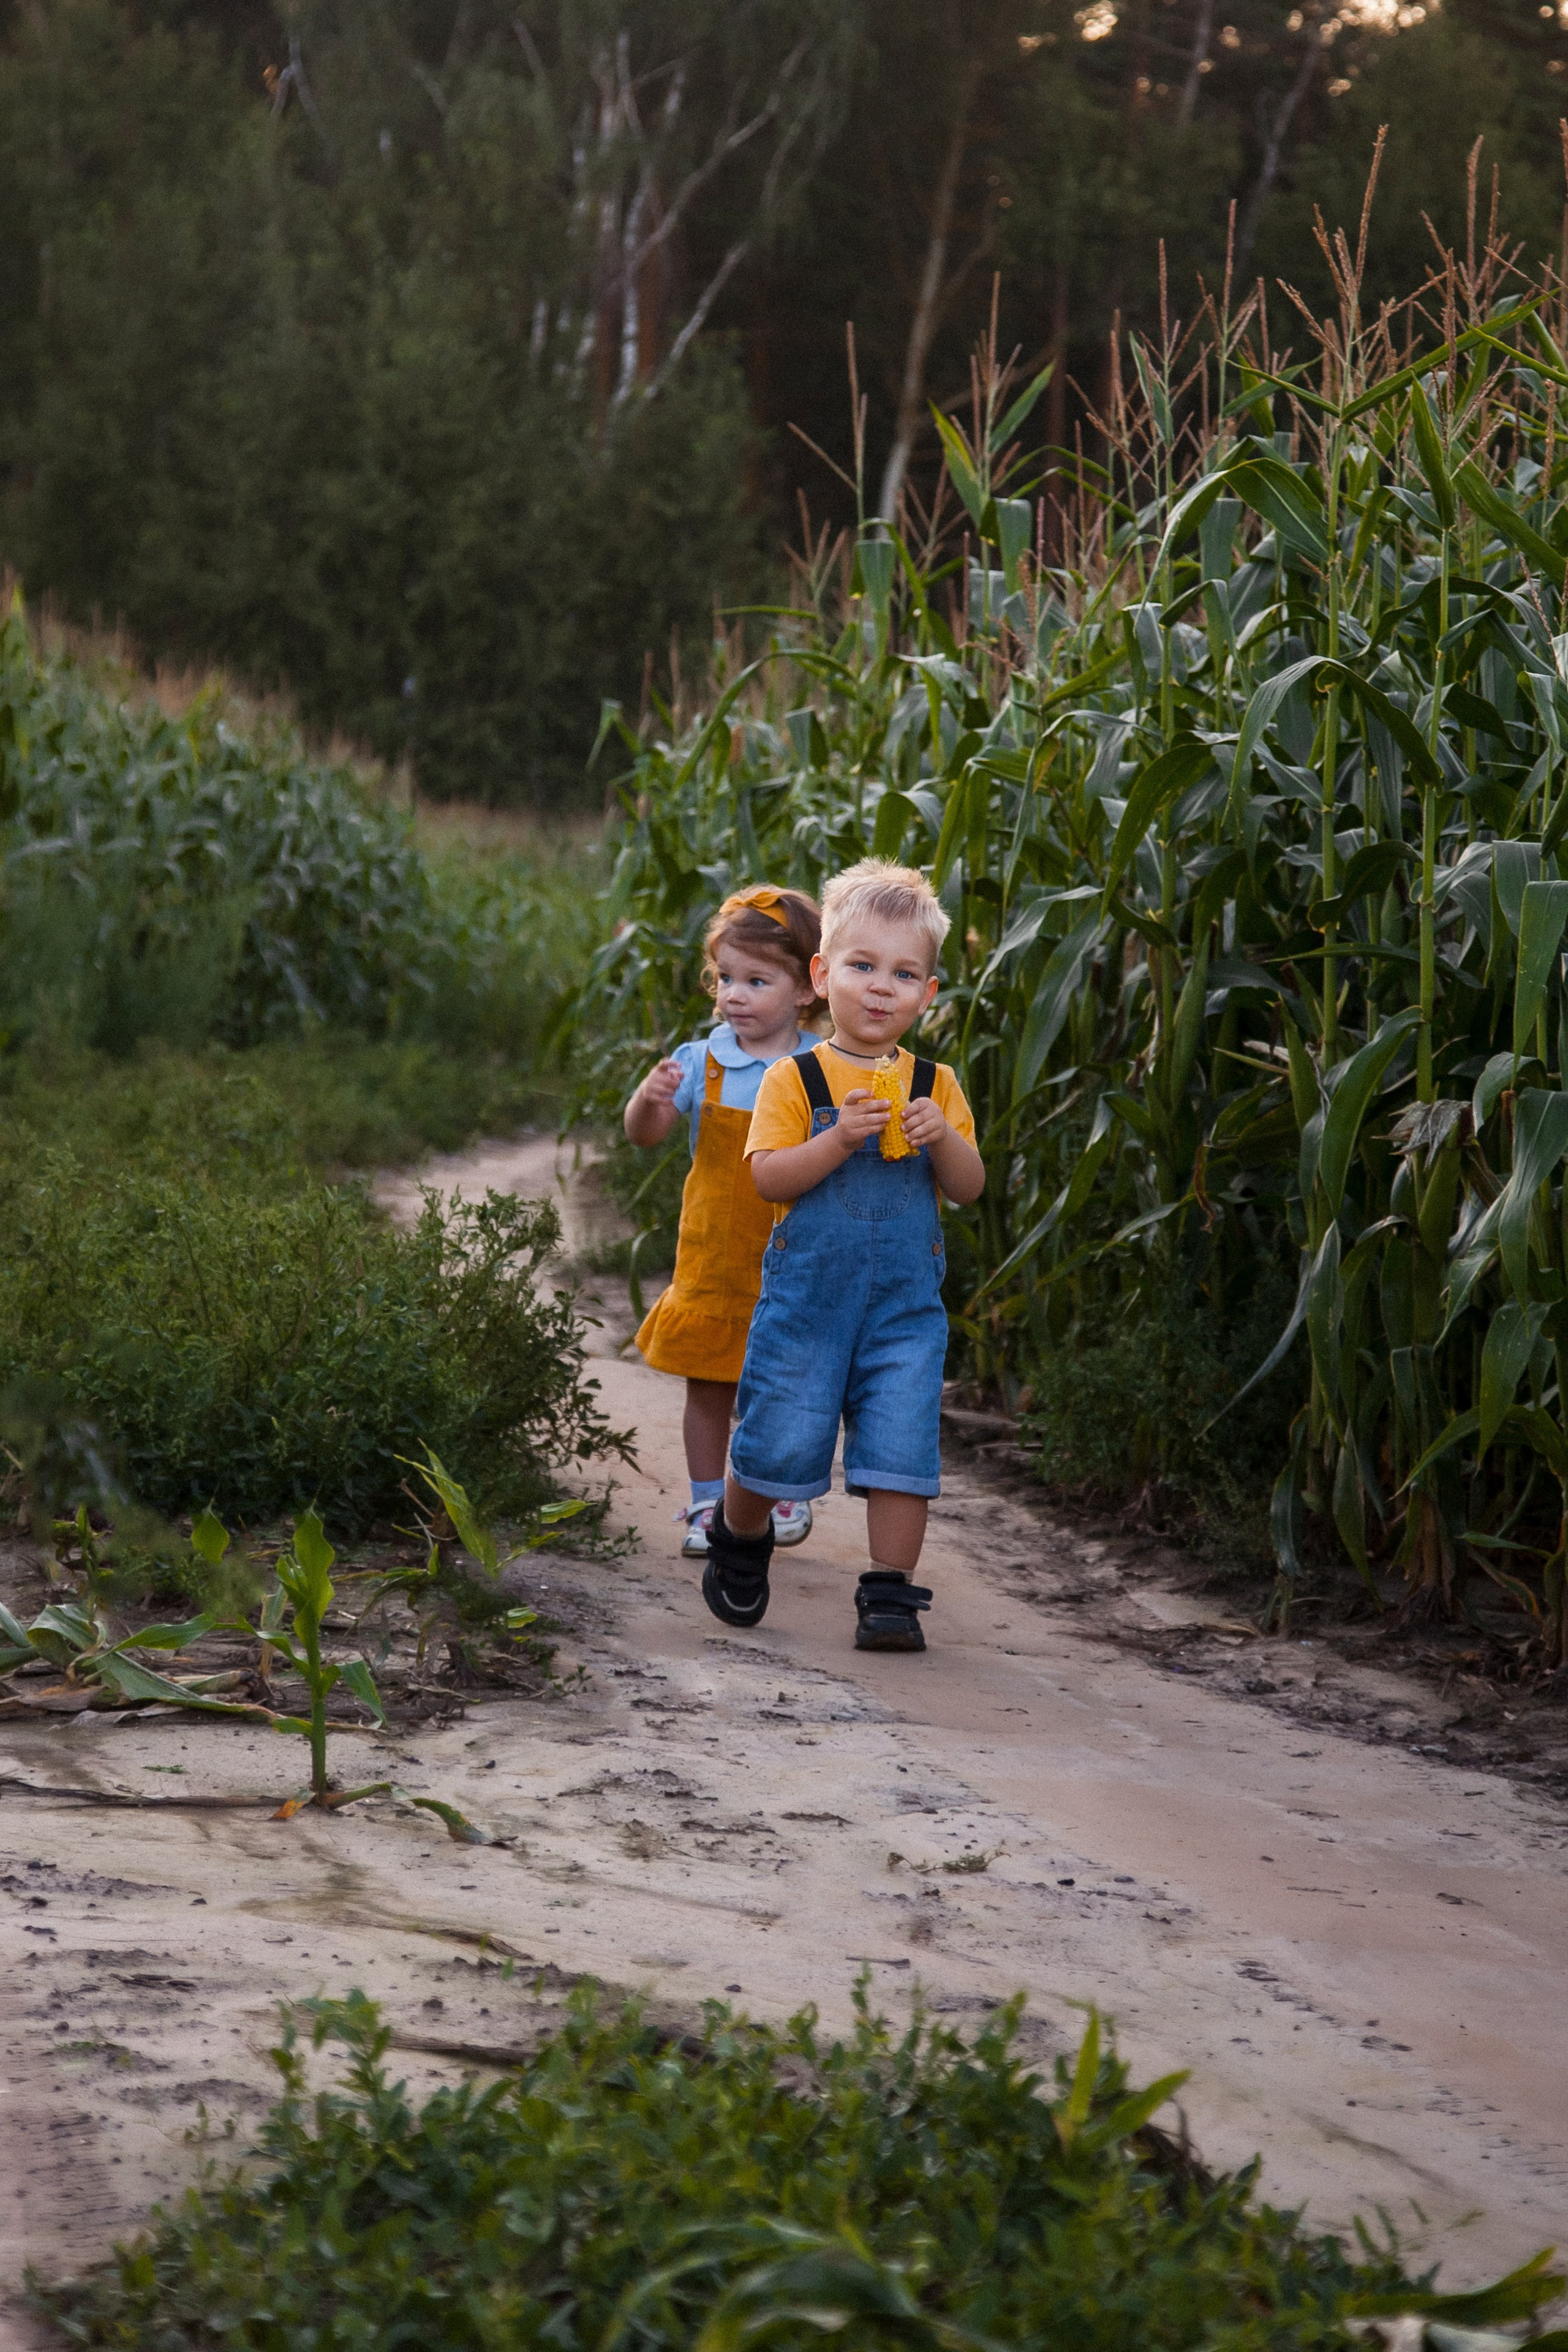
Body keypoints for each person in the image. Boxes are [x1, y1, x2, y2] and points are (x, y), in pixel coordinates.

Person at [701, 857, 986, 1652]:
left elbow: (969, 1188)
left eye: (904, 973)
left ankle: (890, 1592)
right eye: (862, 966)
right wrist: (836, 1140)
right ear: (823, 977)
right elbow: (768, 1178)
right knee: (778, 1442)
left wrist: (946, 1140)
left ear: (927, 995)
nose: (881, 986)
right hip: (809, 1305)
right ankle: (740, 1532)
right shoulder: (797, 1078)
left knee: (902, 1448)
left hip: (903, 1313)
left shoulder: (935, 1083)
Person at [624, 884, 824, 1557]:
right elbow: (647, 1136)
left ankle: (779, 1489)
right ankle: (708, 1501)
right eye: (726, 979)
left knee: (782, 1382)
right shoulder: (701, 1059)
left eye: (756, 981)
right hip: (712, 1253)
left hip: (790, 1256)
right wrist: (647, 1102)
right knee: (710, 1384)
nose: (734, 995)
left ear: (805, 989)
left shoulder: (817, 1070)